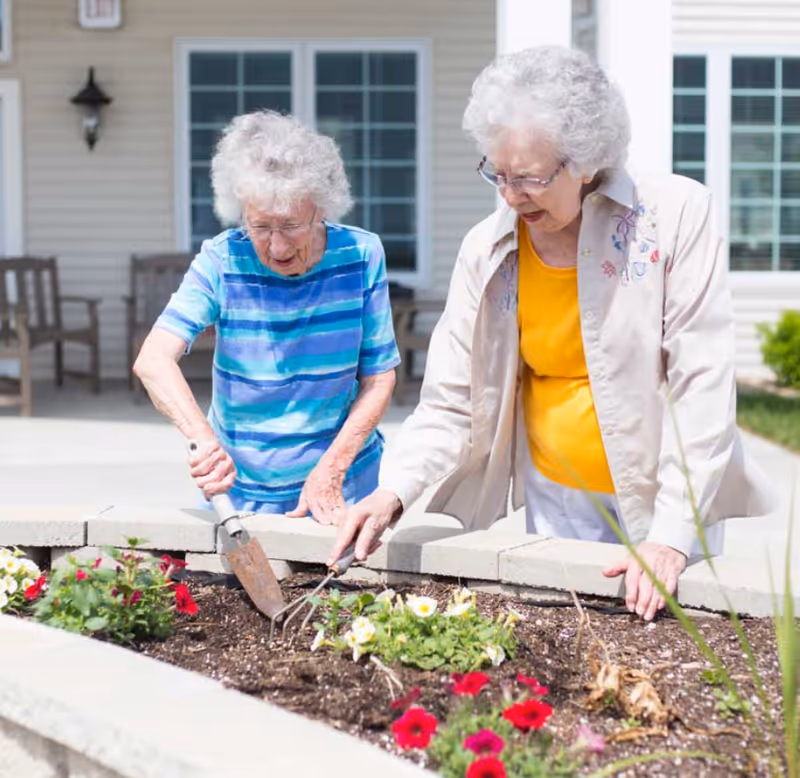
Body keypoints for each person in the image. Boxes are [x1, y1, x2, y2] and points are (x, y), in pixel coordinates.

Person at [329, 46, 774, 621]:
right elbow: (451, 402)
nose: (511, 195)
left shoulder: (676, 213)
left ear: (586, 160)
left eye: (531, 178)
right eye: (498, 173)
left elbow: (703, 383)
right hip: (558, 498)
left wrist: (669, 535)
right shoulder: (487, 249)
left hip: (667, 496)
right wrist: (393, 490)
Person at [134, 111, 399, 522]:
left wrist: (331, 470)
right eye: (260, 226)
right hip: (240, 492)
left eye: (291, 225)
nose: (276, 247)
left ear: (322, 210)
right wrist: (202, 440)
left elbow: (379, 378)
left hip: (343, 481)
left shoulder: (361, 255)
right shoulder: (223, 259)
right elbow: (154, 360)